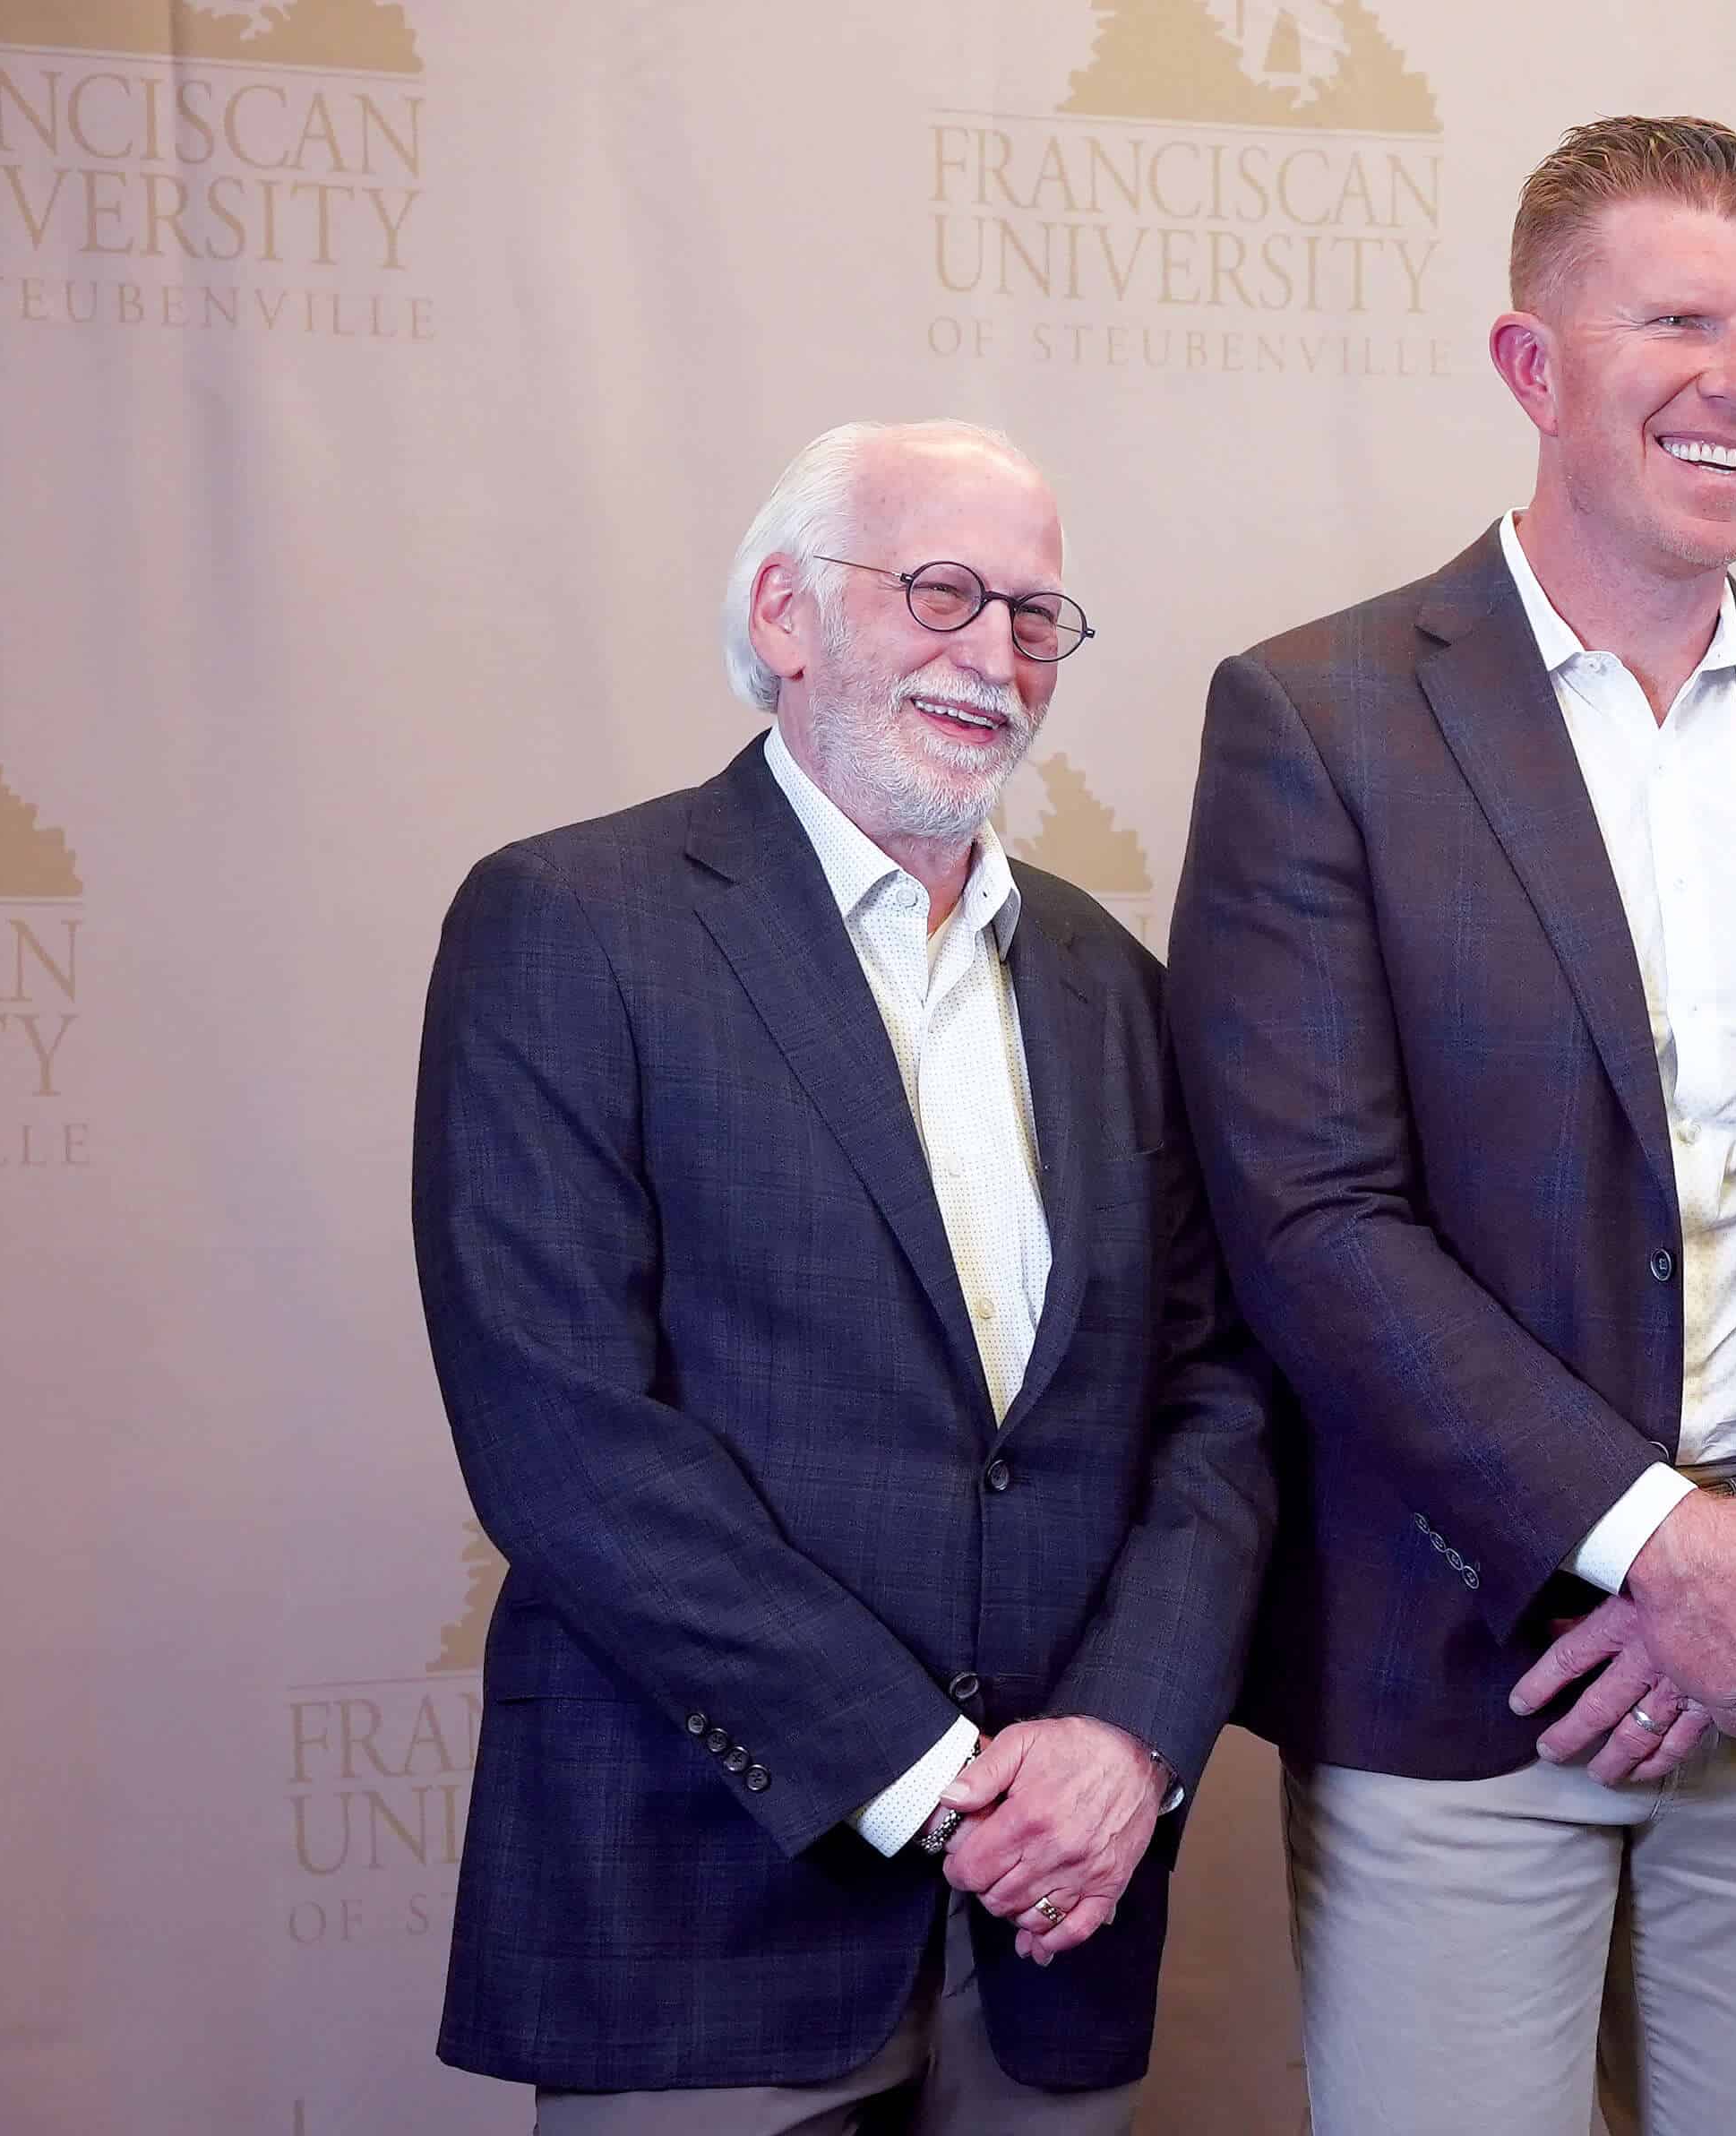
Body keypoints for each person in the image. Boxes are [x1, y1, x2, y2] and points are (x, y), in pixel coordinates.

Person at [1164, 116, 1736, 2135]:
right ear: (1528, 367)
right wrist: (1649, 1548)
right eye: (1677, 321)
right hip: (1459, 1670)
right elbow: (1311, 1217)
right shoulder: (1318, 719)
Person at [412, 419, 1277, 2132]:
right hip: (703, 1900)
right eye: (940, 591)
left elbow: (1219, 1394)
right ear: (784, 614)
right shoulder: (570, 922)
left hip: (1059, 1914)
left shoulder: (1120, 985)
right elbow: (561, 1430)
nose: (996, 655)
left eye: (1037, 616)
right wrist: (932, 1782)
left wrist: (1130, 1736)